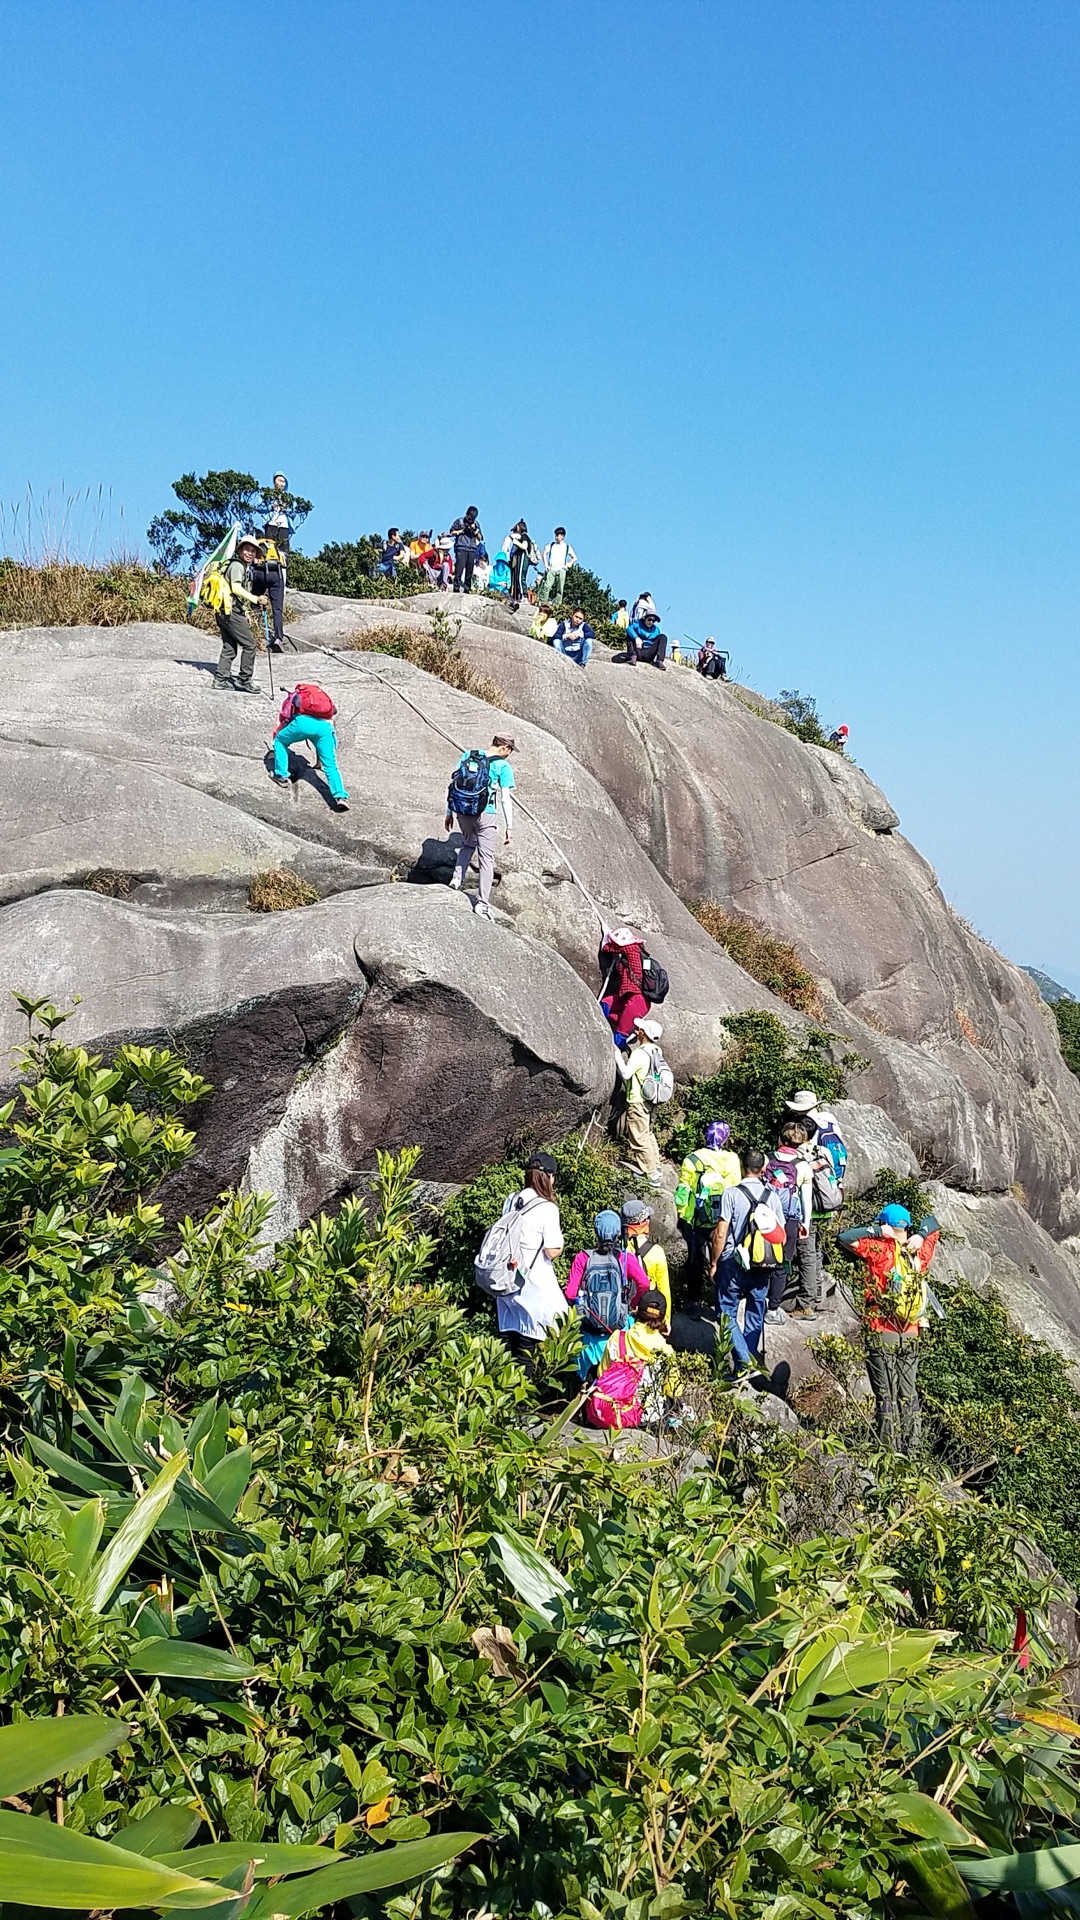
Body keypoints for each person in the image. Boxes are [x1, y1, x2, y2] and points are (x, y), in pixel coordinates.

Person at [835, 1202, 941, 1454]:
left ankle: (887, 1451)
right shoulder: (920, 1251)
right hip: (912, 1331)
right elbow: (934, 1222)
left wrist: (875, 1231)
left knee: (885, 1394)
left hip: (881, 1329)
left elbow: (844, 1238)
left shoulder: (879, 1248)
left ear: (885, 1224)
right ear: (908, 1226)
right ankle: (912, 1449)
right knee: (908, 1391)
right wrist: (921, 1234)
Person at [708, 1149, 787, 1374]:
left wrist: (714, 1263)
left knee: (726, 1311)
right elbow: (781, 1234)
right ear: (763, 1169)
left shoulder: (731, 1194)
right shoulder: (772, 1196)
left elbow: (720, 1233)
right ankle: (750, 1357)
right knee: (756, 1308)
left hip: (733, 1260)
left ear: (743, 1167)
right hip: (763, 1263)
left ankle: (743, 1362)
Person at [494, 1150, 566, 1371]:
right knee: (527, 1351)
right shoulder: (547, 1208)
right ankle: (523, 1403)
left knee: (510, 1348)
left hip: (506, 1282)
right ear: (549, 1177)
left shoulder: (511, 1201)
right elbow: (552, 1250)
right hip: (532, 1288)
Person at [564, 1208, 649, 1380]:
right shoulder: (625, 1259)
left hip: (589, 1335)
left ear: (596, 1232)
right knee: (617, 1381)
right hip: (617, 1333)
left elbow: (571, 1294)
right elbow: (644, 1283)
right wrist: (631, 1304)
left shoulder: (583, 1258)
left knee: (589, 1384)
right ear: (619, 1232)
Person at [445, 733, 515, 920]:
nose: (509, 754)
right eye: (510, 750)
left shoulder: (468, 755)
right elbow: (505, 799)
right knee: (486, 859)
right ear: (504, 748)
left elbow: (454, 784)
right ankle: (482, 903)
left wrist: (448, 812)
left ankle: (455, 880)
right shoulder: (503, 766)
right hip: (486, 813)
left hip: (462, 811)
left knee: (468, 845)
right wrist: (509, 826)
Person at [674, 1122, 742, 1295]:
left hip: (695, 1218)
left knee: (694, 1261)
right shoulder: (733, 1159)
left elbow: (682, 1193)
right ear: (725, 1139)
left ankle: (694, 1301)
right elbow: (736, 1189)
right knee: (723, 1259)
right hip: (722, 1220)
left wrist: (682, 1215)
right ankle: (721, 1299)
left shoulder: (691, 1160)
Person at [763, 1120, 815, 1325]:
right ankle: (772, 1308)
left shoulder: (767, 1159)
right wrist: (806, 1223)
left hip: (765, 1216)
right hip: (789, 1221)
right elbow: (806, 1199)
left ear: (780, 1138)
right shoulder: (802, 1166)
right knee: (782, 1263)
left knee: (759, 1258)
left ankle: (754, 1300)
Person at [271, 684, 350, 813]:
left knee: (280, 741)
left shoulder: (298, 695)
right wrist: (318, 764)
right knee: (330, 765)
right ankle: (341, 796)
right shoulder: (322, 699)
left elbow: (286, 717)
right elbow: (333, 711)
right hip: (324, 727)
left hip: (303, 724)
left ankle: (282, 776)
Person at [212, 534, 267, 693]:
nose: (250, 553)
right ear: (240, 550)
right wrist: (256, 599)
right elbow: (235, 588)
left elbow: (234, 591)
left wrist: (246, 611)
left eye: (253, 551)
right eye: (247, 549)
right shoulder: (238, 566)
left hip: (224, 610)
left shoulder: (241, 566)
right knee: (250, 644)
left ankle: (220, 679)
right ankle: (244, 679)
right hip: (230, 611)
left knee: (230, 647)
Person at [613, 1016, 665, 1185]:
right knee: (648, 1134)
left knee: (638, 1137)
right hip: (651, 1099)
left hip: (637, 1099)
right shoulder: (656, 1051)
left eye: (639, 1029)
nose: (636, 1030)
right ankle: (655, 1167)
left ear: (643, 1034)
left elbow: (627, 1073)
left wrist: (616, 1055)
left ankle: (651, 1175)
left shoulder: (640, 1053)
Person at [621, 1196, 672, 1321]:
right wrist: (666, 1320)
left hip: (622, 1311)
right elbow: (664, 1290)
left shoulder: (619, 1249)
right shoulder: (656, 1252)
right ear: (645, 1223)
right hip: (647, 1314)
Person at [598, 927, 651, 1046]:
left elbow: (607, 948)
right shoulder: (640, 952)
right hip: (628, 997)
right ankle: (628, 1025)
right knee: (605, 1003)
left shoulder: (632, 948)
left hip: (638, 1001)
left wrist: (607, 938)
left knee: (620, 1036)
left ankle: (625, 1036)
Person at [251, 536, 287, 652]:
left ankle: (257, 632)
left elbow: (252, 564)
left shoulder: (257, 544)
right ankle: (278, 638)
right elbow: (284, 565)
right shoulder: (274, 547)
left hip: (260, 573)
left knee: (256, 603)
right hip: (276, 574)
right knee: (277, 608)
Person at [506, 521, 539, 611]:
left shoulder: (524, 536)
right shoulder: (524, 536)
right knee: (519, 577)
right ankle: (521, 596)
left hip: (523, 558)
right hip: (523, 559)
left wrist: (516, 542)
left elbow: (524, 546)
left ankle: (524, 596)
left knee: (520, 577)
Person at [540, 527, 577, 605]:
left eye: (558, 535)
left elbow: (574, 557)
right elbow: (544, 553)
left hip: (561, 569)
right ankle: (543, 603)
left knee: (560, 589)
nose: (556, 537)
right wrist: (546, 564)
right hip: (552, 569)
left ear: (562, 536)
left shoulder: (567, 547)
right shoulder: (552, 545)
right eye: (556, 535)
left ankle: (557, 606)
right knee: (547, 586)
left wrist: (569, 564)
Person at [450, 507, 483, 593]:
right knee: (459, 570)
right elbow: (451, 532)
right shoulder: (459, 521)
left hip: (472, 549)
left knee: (469, 571)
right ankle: (456, 588)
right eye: (469, 518)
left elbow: (480, 538)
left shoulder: (476, 524)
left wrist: (475, 530)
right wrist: (462, 531)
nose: (470, 520)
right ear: (466, 514)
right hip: (461, 547)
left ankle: (467, 589)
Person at [263, 473, 292, 553]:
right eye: (279, 481)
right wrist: (271, 507)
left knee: (283, 547)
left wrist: (286, 509)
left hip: (284, 524)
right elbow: (259, 508)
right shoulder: (269, 495)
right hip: (272, 522)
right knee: (269, 545)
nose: (281, 484)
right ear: (274, 481)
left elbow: (293, 513)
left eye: (283, 482)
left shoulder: (287, 497)